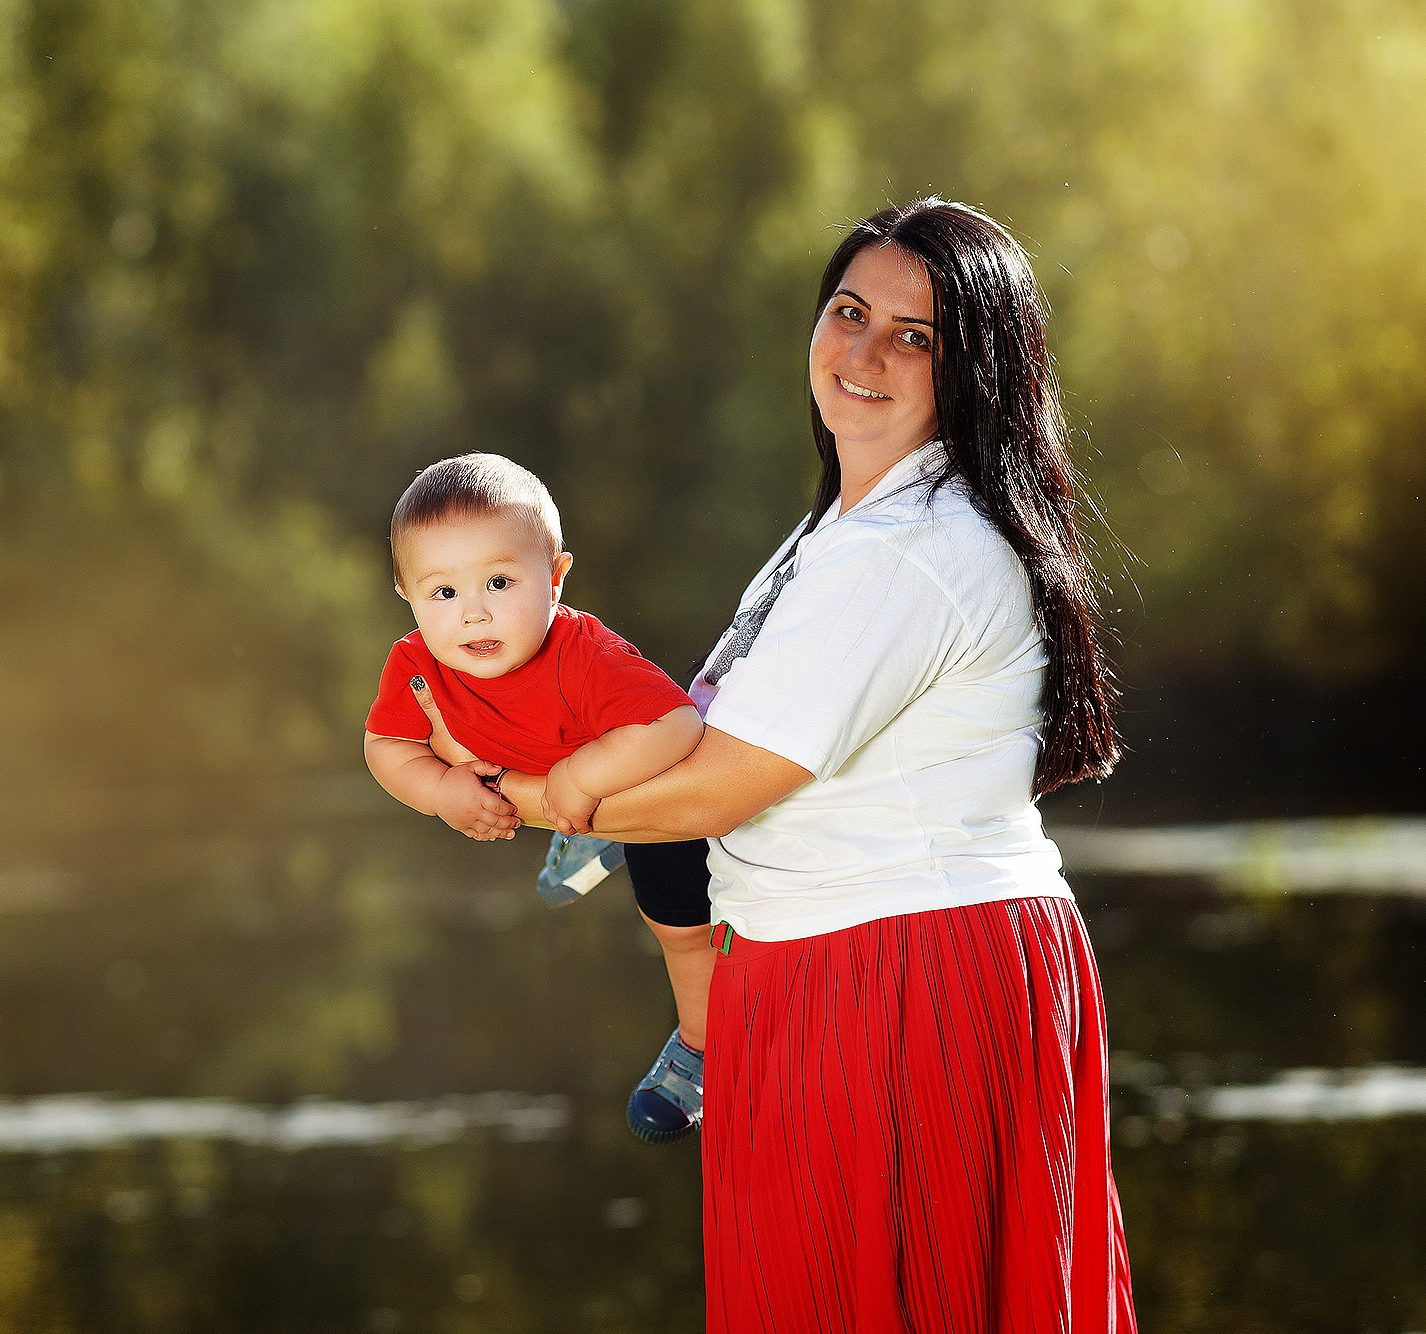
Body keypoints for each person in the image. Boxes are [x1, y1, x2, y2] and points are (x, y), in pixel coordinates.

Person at [427, 198, 1137, 1330]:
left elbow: (724, 783)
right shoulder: (849, 528)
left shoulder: (910, 548)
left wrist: (515, 792)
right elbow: (703, 742)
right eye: (847, 311)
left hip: (904, 971)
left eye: (913, 335)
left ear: (975, 371)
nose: (859, 351)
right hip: (820, 962)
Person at [362, 453, 715, 1142]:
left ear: (555, 577)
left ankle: (699, 1049)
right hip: (539, 784)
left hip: (646, 799)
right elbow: (384, 747)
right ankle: (584, 837)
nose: (474, 613)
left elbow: (677, 726)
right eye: (443, 593)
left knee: (682, 930)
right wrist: (440, 791)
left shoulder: (588, 656)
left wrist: (580, 781)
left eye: (499, 580)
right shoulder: (416, 663)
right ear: (405, 593)